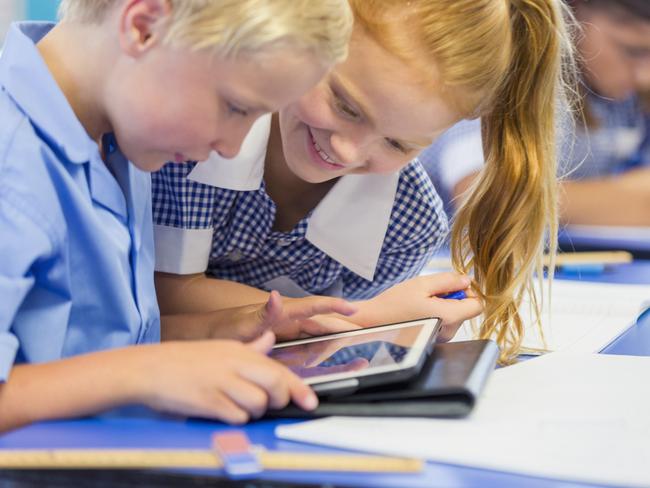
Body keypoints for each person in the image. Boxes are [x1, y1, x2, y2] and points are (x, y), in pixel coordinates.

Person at [152, 0, 575, 364]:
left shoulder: (407, 224)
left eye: (397, 143)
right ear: (312, 26)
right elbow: (158, 296)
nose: (348, 151)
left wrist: (369, 330)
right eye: (346, 106)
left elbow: (317, 361)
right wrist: (363, 317)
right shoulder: (197, 136)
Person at [0, 0, 354, 432]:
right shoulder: (11, 161)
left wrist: (223, 331)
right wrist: (147, 371)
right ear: (145, 27)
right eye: (236, 107)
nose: (232, 146)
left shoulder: (119, 134)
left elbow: (89, 346)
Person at [422, 0, 650, 226]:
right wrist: (627, 200)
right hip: (449, 252)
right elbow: (479, 193)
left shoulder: (631, 98)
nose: (645, 77)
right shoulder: (516, 61)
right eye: (631, 51)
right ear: (576, 11)